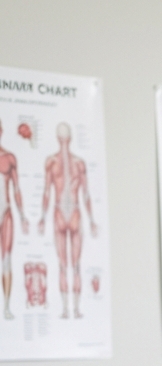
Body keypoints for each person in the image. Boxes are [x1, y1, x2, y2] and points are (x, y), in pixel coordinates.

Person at [38, 123, 98, 320]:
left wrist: (42, 217)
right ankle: (74, 310)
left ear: (58, 137)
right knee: (73, 265)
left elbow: (47, 192)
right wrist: (91, 221)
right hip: (73, 213)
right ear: (70, 137)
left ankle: (67, 310)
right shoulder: (77, 163)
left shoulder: (52, 162)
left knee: (65, 265)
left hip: (60, 214)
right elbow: (86, 194)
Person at [0, 119, 30, 320]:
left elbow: (17, 189)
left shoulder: (9, 157)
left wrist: (22, 215)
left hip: (6, 213)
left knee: (7, 260)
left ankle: (7, 306)